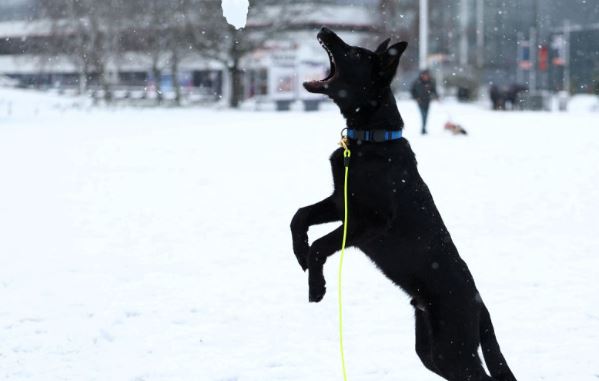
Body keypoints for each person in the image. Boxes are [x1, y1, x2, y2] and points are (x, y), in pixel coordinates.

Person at [411, 70, 438, 135]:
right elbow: (412, 91)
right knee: (423, 114)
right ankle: (423, 128)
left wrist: (436, 96)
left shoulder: (430, 82)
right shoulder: (417, 82)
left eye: (427, 75)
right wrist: (416, 98)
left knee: (426, 115)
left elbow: (434, 91)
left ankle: (424, 127)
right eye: (424, 75)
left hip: (427, 101)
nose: (426, 77)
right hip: (420, 101)